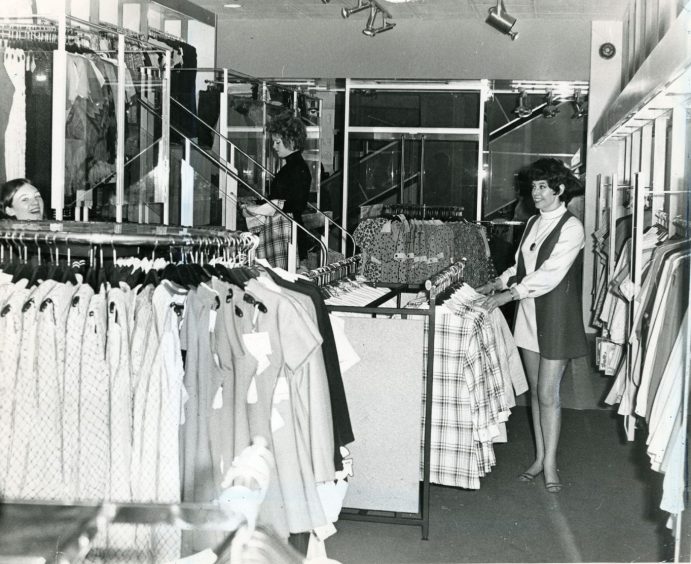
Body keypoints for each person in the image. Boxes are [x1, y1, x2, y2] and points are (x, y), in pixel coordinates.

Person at [475, 158, 588, 494]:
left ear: (560, 189)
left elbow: (550, 274)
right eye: (533, 187)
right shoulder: (533, 223)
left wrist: (510, 295)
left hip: (556, 319)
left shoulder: (572, 227)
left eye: (542, 187)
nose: (535, 193)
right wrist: (495, 283)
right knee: (536, 395)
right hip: (529, 318)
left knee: (548, 395)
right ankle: (539, 458)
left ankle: (550, 463)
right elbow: (521, 265)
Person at [266, 110, 312, 266]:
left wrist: (266, 206)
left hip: (289, 232)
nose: (274, 146)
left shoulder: (295, 168)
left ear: (291, 141)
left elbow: (297, 204)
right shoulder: (295, 167)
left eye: (277, 142)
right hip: (289, 229)